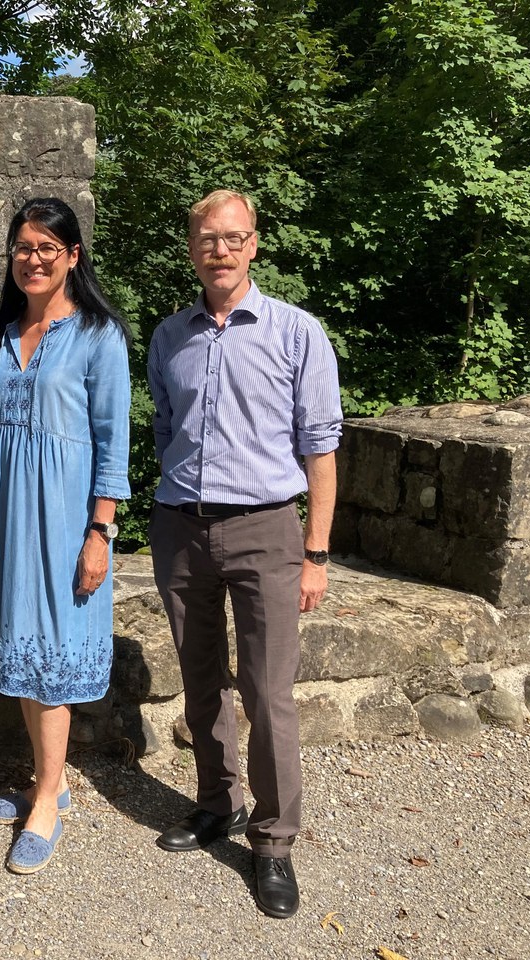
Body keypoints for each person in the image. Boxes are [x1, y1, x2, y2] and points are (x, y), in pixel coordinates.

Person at [146, 189, 341, 918]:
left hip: (267, 527)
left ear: (253, 244)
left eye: (233, 237)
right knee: (200, 680)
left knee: (267, 691)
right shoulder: (171, 336)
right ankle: (216, 804)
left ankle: (273, 839)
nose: (219, 249)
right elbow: (168, 428)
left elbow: (321, 449)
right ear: (192, 246)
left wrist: (315, 552)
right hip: (180, 525)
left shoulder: (296, 333)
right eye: (207, 238)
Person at [0, 197, 131, 875]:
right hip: (5, 514)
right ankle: (46, 780)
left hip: (65, 519)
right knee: (24, 652)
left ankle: (48, 805)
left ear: (72, 258)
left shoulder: (98, 335)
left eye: (47, 249)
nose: (34, 260)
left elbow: (112, 444)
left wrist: (100, 532)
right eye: (24, 248)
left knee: (54, 653)